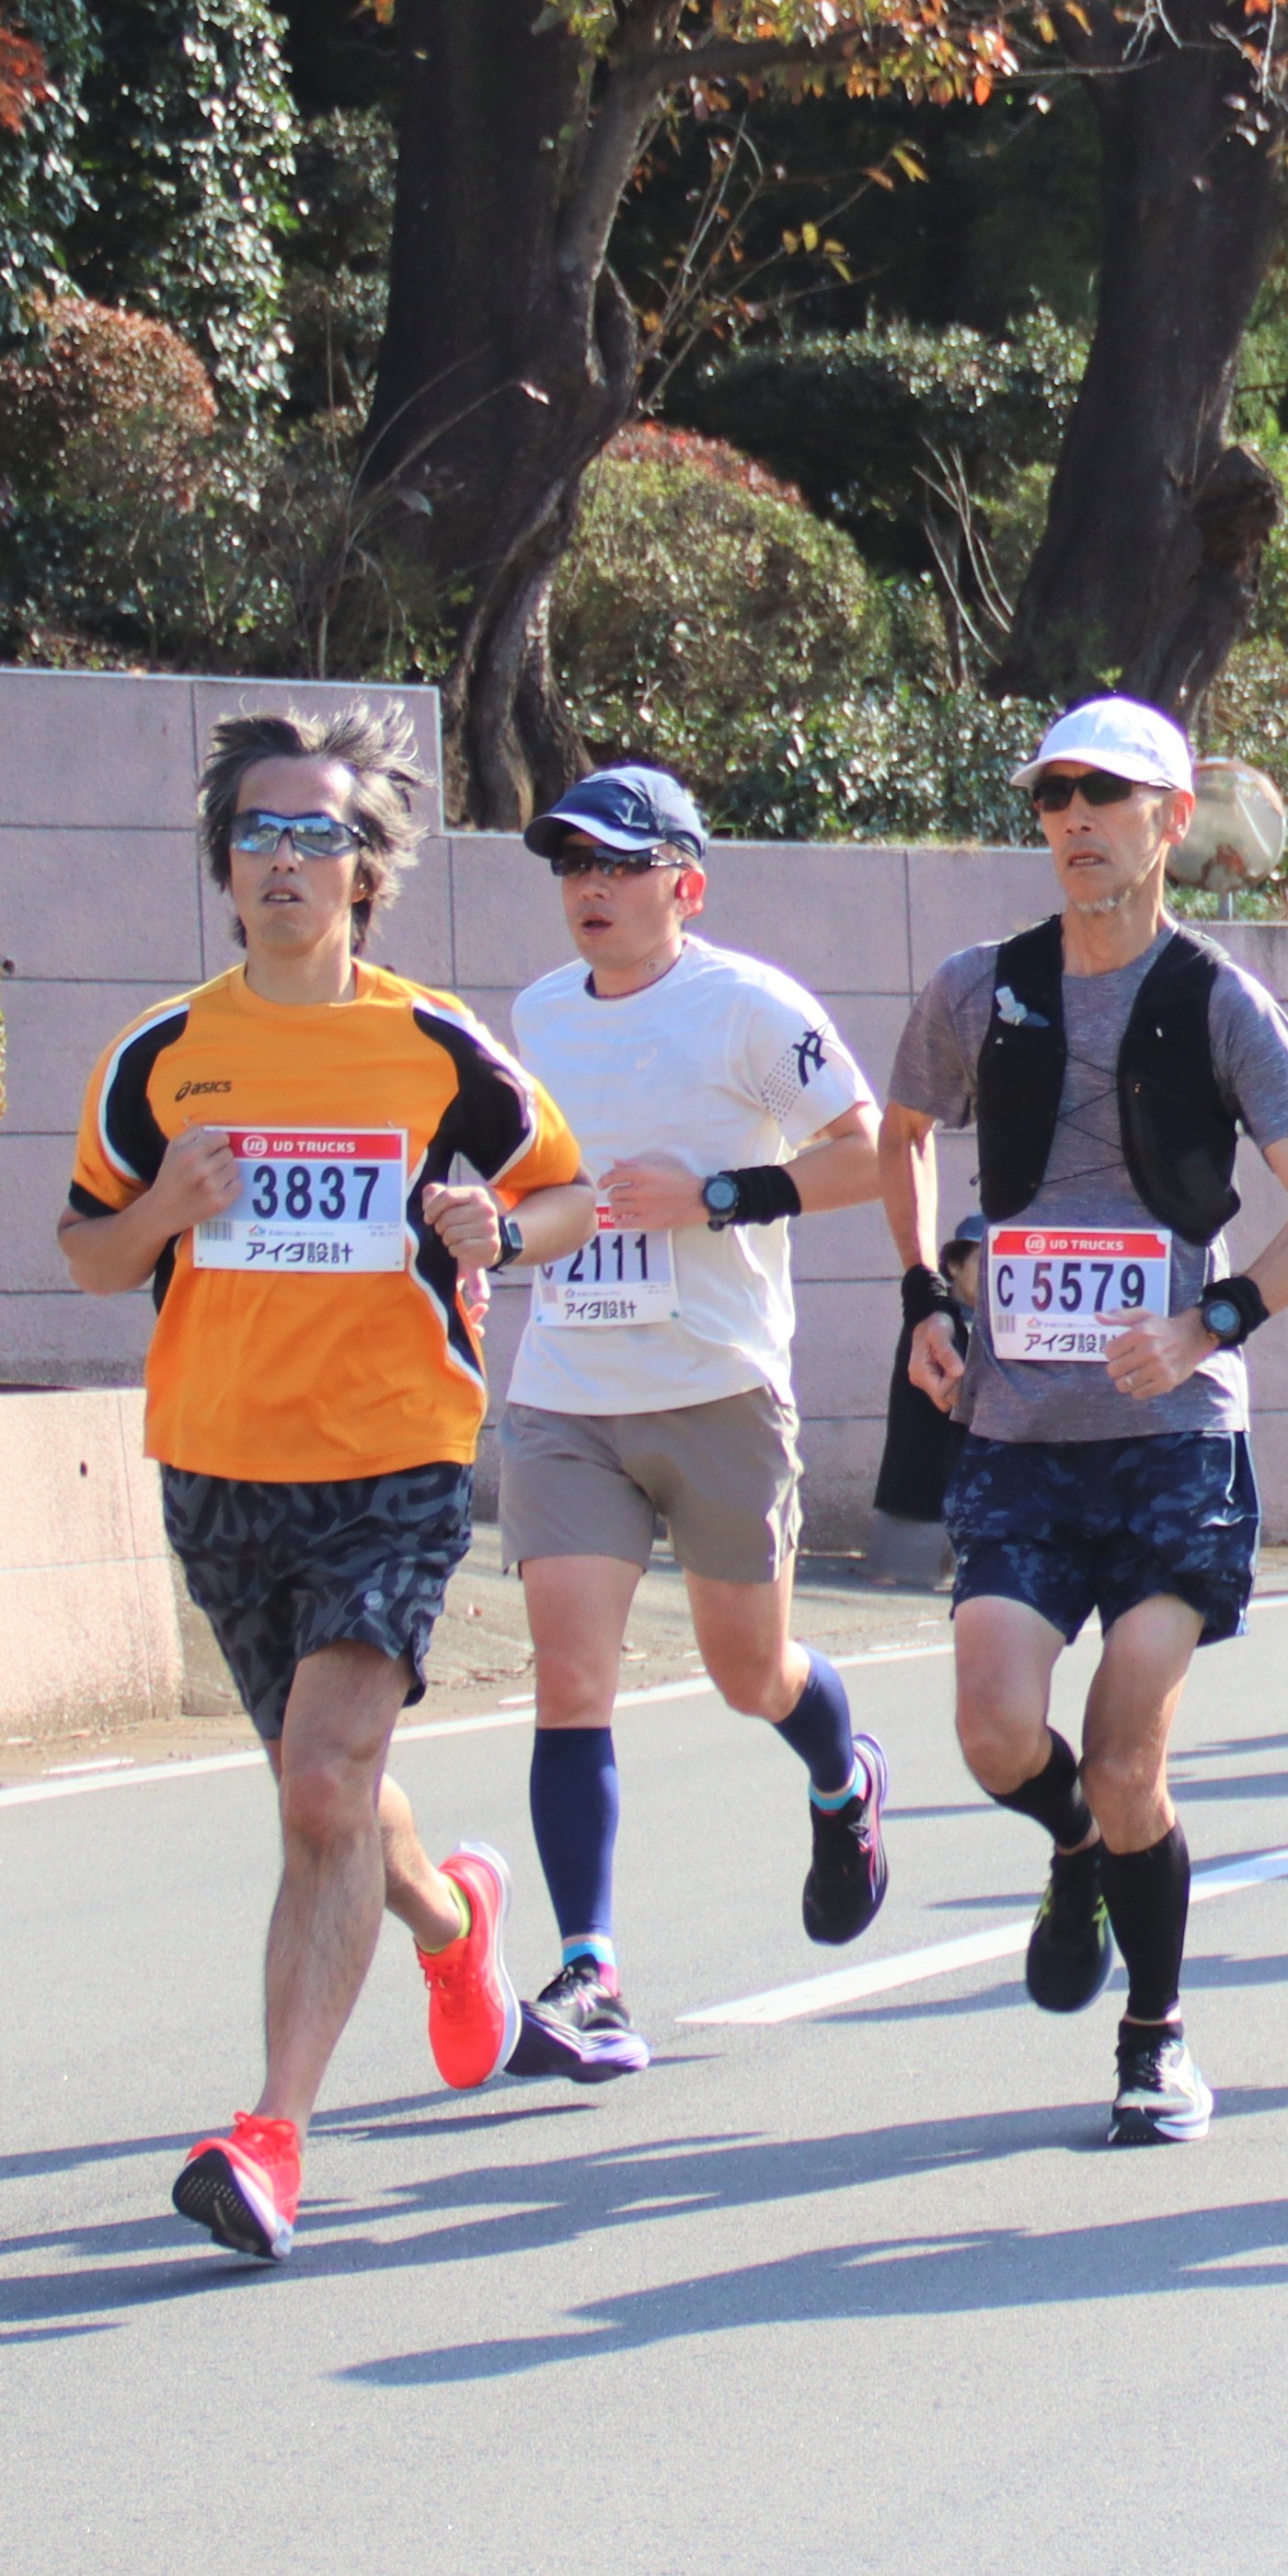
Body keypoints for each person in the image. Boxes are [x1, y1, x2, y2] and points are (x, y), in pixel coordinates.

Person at [62, 707, 593, 2261]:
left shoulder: (433, 1044)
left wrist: (500, 1229)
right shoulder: (162, 1053)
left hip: (392, 1457)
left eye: (318, 834)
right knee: (328, 1786)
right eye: (259, 832)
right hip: (220, 1465)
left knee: (317, 1786)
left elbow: (563, 1190)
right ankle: (457, 1919)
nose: (285, 859)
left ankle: (271, 2135)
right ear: (224, 862)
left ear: (369, 868)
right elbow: (87, 1250)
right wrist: (163, 1205)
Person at [880, 698, 1288, 2147]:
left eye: (1103, 792)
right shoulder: (978, 986)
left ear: (1170, 818)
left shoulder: (1217, 1000)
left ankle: (1154, 2037)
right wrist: (925, 1295)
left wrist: (1209, 1319)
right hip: (1019, 1435)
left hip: (1171, 1441)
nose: (1073, 817)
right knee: (990, 1727)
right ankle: (1074, 1845)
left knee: (1126, 1751)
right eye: (1052, 794)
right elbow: (900, 1134)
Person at [492, 766, 900, 2082]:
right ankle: (591, 1971)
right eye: (571, 865)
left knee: (747, 1671)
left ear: (687, 884)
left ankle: (842, 1776)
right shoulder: (536, 1014)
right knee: (571, 1676)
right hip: (568, 1392)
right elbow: (530, 1180)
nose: (589, 888)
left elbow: (870, 1149)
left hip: (720, 1384)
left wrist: (717, 1191)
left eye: (617, 864)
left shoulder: (749, 1006)